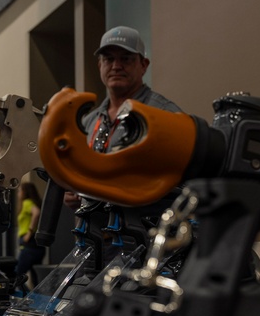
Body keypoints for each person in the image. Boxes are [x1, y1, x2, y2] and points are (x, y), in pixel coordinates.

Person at [64, 26, 184, 265]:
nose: (116, 66)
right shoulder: (89, 121)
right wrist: (76, 192)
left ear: (144, 65)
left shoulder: (165, 116)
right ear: (99, 65)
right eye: (108, 59)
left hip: (145, 245)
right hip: (93, 244)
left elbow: (182, 181)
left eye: (126, 59)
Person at [14, 181, 45, 293]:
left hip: (29, 245)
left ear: (25, 192)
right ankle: (36, 300)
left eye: (19, 191)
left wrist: (29, 232)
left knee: (16, 276)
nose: (18, 194)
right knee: (36, 279)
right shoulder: (32, 202)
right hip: (36, 246)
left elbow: (36, 213)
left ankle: (26, 297)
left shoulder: (27, 203)